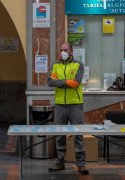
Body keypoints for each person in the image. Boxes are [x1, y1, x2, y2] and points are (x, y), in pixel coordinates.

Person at [47, 42, 88, 175]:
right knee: (60, 134)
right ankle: (59, 162)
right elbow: (50, 82)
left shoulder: (78, 65)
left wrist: (60, 82)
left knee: (78, 134)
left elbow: (76, 83)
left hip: (75, 104)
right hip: (59, 104)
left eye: (65, 50)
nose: (63, 52)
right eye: (61, 50)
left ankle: (81, 164)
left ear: (71, 51)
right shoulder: (55, 65)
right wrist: (66, 81)